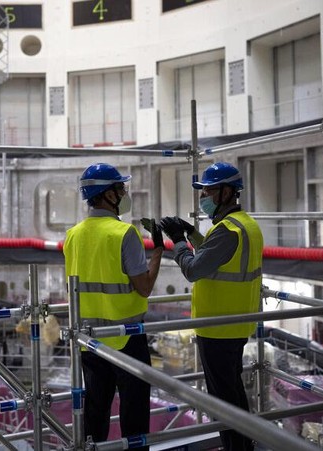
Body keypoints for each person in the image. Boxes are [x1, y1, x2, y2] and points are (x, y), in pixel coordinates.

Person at [160, 161, 263, 451]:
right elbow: (213, 253)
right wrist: (191, 231)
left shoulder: (228, 231)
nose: (203, 198)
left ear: (228, 192)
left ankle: (236, 448)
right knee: (233, 393)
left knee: (223, 401)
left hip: (218, 327)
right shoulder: (243, 225)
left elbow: (194, 269)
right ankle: (244, 445)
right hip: (235, 324)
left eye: (208, 191)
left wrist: (178, 242)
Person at [64, 163, 163, 449]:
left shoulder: (73, 235)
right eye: (120, 188)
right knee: (134, 416)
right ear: (108, 195)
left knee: (95, 414)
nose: (124, 192)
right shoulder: (123, 233)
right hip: (126, 337)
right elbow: (143, 287)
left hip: (89, 340)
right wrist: (157, 253)